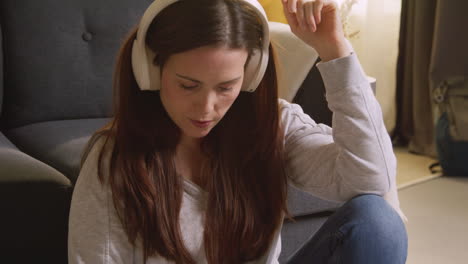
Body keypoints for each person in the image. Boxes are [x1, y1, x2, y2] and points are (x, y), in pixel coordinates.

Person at [68, 0, 408, 263]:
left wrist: (334, 49)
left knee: (378, 223)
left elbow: (371, 178)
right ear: (150, 71)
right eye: (188, 86)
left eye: (226, 87)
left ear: (251, 76)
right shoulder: (114, 158)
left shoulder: (273, 126)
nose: (206, 108)